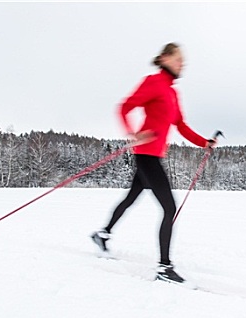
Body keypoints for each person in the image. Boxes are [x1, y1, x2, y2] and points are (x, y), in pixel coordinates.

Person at [91, 43, 217, 285]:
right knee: (169, 208)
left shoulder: (172, 92)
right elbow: (125, 107)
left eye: (183, 62)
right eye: (178, 59)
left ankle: (102, 234)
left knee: (131, 198)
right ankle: (164, 268)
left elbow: (180, 125)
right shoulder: (153, 82)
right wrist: (132, 133)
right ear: (165, 58)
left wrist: (204, 143)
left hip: (153, 156)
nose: (182, 65)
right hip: (146, 155)